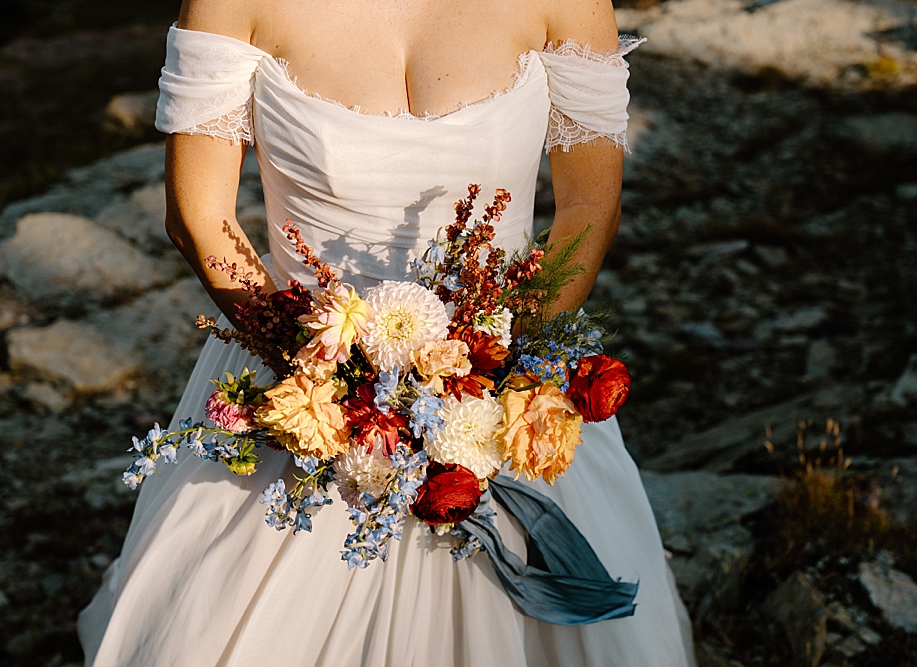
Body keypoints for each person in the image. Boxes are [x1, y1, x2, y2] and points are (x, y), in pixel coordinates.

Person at [78, 0, 697, 664]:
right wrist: (325, 378)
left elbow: (589, 205)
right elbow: (198, 215)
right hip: (302, 385)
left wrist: (497, 372)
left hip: (504, 385)